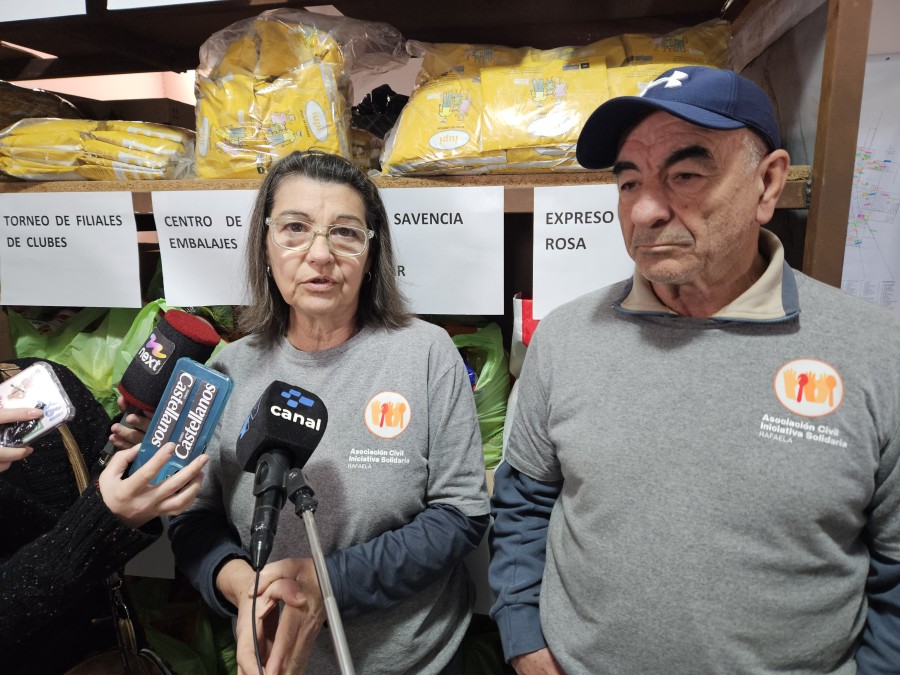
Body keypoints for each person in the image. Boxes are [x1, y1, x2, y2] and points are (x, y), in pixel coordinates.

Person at [488, 65, 900, 674]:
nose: (647, 210)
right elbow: (523, 501)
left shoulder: (875, 350)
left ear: (767, 184)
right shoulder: (568, 338)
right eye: (628, 183)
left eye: (685, 175)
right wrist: (524, 640)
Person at [168, 151, 491, 675]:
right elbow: (192, 519)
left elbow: (460, 515)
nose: (320, 254)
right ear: (266, 245)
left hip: (414, 660)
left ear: (371, 250)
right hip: (273, 659)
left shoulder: (426, 353)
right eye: (295, 228)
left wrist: (327, 581)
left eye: (344, 232)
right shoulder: (228, 370)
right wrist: (237, 581)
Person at [0, 356, 210, 673]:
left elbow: (99, 497)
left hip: (114, 656)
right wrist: (106, 518)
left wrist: (135, 456)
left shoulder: (41, 379)